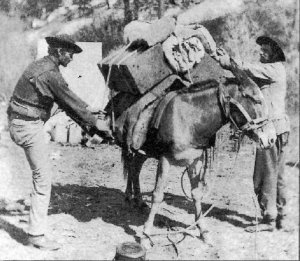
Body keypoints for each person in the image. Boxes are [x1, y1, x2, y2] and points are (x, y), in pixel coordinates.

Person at [7, 34, 111, 250]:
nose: (72, 57)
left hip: (20, 120)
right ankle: (36, 236)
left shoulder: (41, 66)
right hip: (27, 127)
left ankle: (34, 220)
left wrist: (88, 118)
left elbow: (67, 100)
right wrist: (98, 125)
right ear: (59, 52)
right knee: (43, 179)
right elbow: (68, 100)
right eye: (70, 53)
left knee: (62, 108)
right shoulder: (51, 74)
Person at [217, 36, 290, 232]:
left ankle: (268, 219)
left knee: (265, 173)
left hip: (271, 129)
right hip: (281, 127)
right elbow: (245, 78)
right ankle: (281, 216)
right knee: (278, 174)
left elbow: (247, 69)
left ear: (274, 53)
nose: (260, 53)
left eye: (264, 51)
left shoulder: (273, 69)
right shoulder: (272, 71)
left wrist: (229, 62)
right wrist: (229, 67)